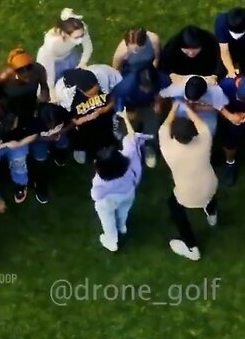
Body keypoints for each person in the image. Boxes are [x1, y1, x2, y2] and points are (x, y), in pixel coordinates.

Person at [158, 101, 219, 261]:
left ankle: (192, 247)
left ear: (175, 136)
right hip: (210, 185)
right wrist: (187, 108)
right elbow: (201, 124)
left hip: (188, 195)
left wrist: (174, 107)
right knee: (208, 192)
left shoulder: (168, 148)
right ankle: (212, 215)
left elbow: (164, 126)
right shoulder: (205, 140)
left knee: (174, 207)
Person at [90, 110, 154, 252]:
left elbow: (96, 196)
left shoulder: (100, 181)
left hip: (108, 202)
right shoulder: (129, 158)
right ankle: (122, 226)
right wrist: (125, 118)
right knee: (123, 211)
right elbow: (132, 138)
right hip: (128, 193)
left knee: (107, 220)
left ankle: (111, 241)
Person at [53, 67, 118, 165]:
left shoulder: (103, 77)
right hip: (83, 125)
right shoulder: (66, 95)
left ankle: (108, 144)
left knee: (107, 130)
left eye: (97, 93)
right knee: (83, 135)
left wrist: (106, 108)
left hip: (104, 118)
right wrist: (85, 119)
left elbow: (114, 97)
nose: (96, 97)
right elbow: (72, 119)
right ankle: (85, 149)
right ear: (80, 90)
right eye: (91, 95)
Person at [111, 64, 169, 167]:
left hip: (149, 105)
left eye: (150, 87)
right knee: (126, 134)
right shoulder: (124, 86)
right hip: (129, 109)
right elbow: (119, 108)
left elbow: (164, 92)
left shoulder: (163, 79)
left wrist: (159, 102)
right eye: (144, 87)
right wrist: (128, 114)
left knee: (152, 129)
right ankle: (129, 153)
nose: (147, 90)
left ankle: (149, 148)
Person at [36, 8, 94, 90]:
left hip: (70, 55)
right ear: (64, 34)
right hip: (51, 61)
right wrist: (51, 88)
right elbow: (49, 68)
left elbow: (88, 47)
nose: (80, 40)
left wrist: (83, 62)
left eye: (82, 35)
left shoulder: (81, 29)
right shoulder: (52, 43)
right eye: (76, 37)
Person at [158, 74, 229, 138]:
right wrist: (157, 104)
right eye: (188, 98)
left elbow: (221, 108)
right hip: (183, 106)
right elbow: (161, 95)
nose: (191, 102)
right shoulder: (178, 87)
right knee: (176, 128)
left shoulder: (215, 92)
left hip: (206, 111)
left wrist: (201, 107)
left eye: (193, 100)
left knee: (208, 132)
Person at [0, 47, 51, 114]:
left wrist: (42, 103)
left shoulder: (38, 70)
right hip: (10, 105)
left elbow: (44, 87)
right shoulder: (4, 77)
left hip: (30, 101)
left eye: (29, 67)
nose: (26, 72)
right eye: (20, 70)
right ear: (12, 69)